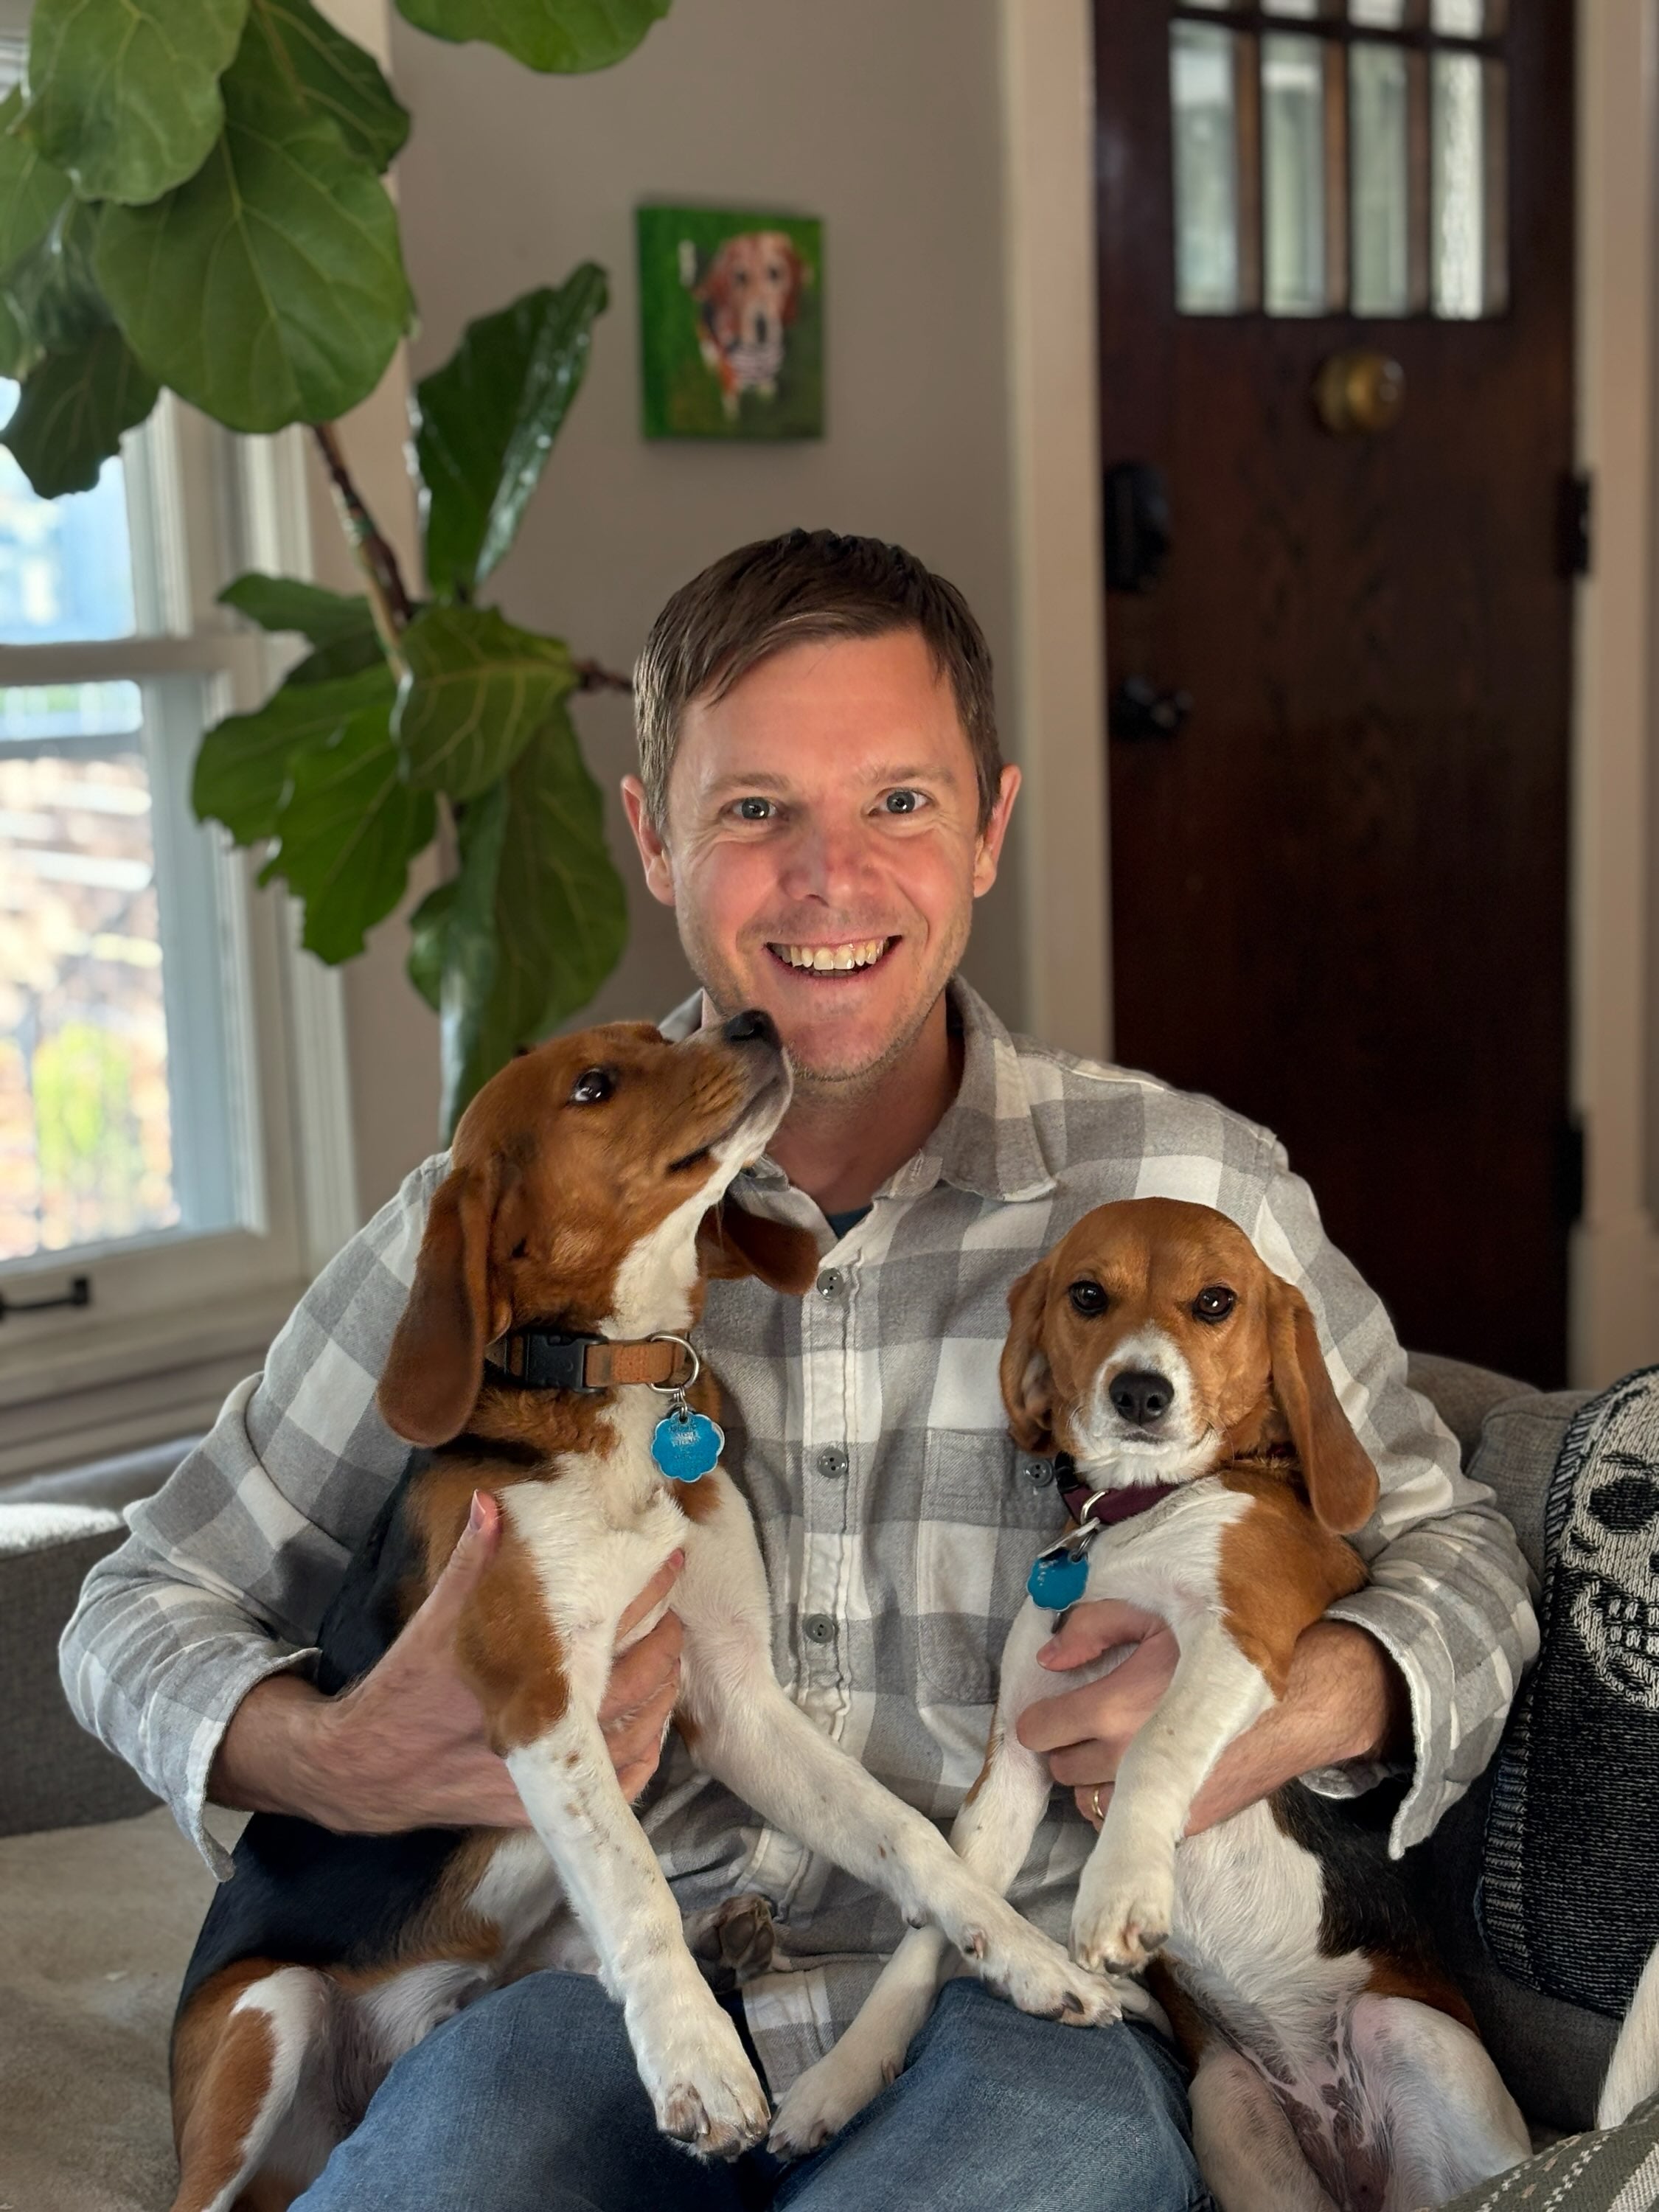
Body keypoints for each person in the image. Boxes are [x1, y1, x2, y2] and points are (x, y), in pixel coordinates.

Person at [62, 529, 1537, 2211]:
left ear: (987, 827)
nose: (832, 879)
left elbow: (1460, 1553)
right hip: (576, 2000)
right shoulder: (508, 1209)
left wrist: (1283, 1714)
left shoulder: (1192, 1190)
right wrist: (331, 1759)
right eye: (755, 810)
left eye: (898, 803)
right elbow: (133, 1607)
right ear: (655, 840)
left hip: (1005, 2007)